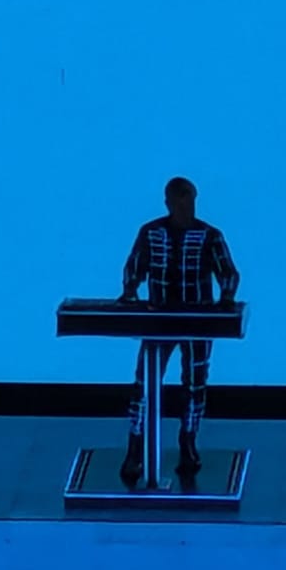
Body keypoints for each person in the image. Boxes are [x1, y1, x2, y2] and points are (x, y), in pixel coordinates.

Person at [118, 177, 240, 484]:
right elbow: (134, 267)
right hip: (158, 320)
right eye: (179, 202)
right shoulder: (151, 233)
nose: (186, 209)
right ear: (168, 203)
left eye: (189, 202)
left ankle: (188, 442)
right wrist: (130, 292)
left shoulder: (209, 235)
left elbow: (228, 272)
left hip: (197, 321)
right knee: (144, 383)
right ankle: (135, 447)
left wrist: (226, 298)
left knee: (195, 384)